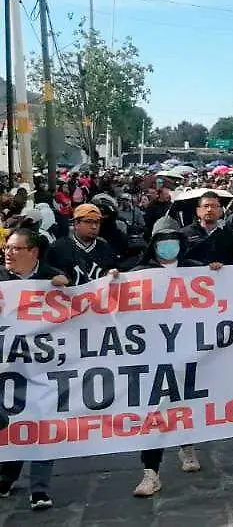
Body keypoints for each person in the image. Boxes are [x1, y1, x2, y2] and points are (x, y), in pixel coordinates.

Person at [129, 215, 214, 497]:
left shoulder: (194, 270)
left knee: (185, 404)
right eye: (161, 241)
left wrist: (218, 274)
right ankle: (150, 472)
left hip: (190, 353)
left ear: (180, 243)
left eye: (172, 240)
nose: (167, 246)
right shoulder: (140, 273)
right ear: (153, 245)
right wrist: (115, 280)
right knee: (154, 411)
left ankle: (187, 447)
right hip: (154, 356)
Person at [0, 228, 69, 510]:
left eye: (15, 249)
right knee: (11, 421)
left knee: (41, 421)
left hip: (42, 368)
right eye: (7, 247)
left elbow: (86, 298)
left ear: (33, 253)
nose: (8, 253)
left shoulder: (51, 278)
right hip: (7, 368)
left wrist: (68, 283)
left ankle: (39, 489)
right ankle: (7, 475)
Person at [46, 204, 121, 286]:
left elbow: (113, 268)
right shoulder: (58, 248)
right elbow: (45, 273)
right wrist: (53, 279)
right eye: (88, 221)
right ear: (76, 223)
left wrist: (112, 273)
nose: (94, 226)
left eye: (97, 222)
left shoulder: (106, 248)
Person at [182, 191, 233, 266]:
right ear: (198, 211)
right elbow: (179, 261)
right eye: (206, 206)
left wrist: (223, 266)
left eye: (213, 206)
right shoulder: (184, 234)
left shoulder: (230, 235)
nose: (209, 209)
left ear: (220, 211)